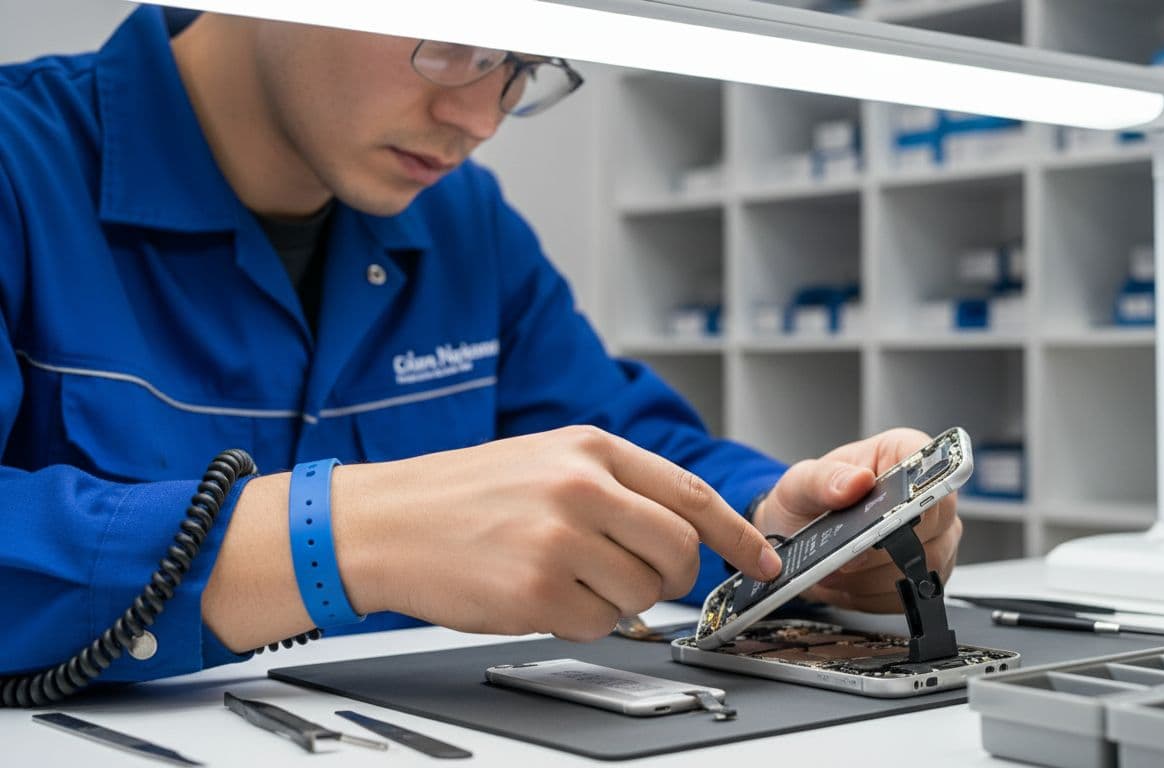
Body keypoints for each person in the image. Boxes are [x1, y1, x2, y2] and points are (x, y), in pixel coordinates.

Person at [0, 5, 961, 689]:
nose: (479, 118)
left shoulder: (462, 222)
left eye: (523, 65)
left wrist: (794, 534)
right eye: (454, 40)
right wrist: (337, 537)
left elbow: (620, 444)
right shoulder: (17, 164)